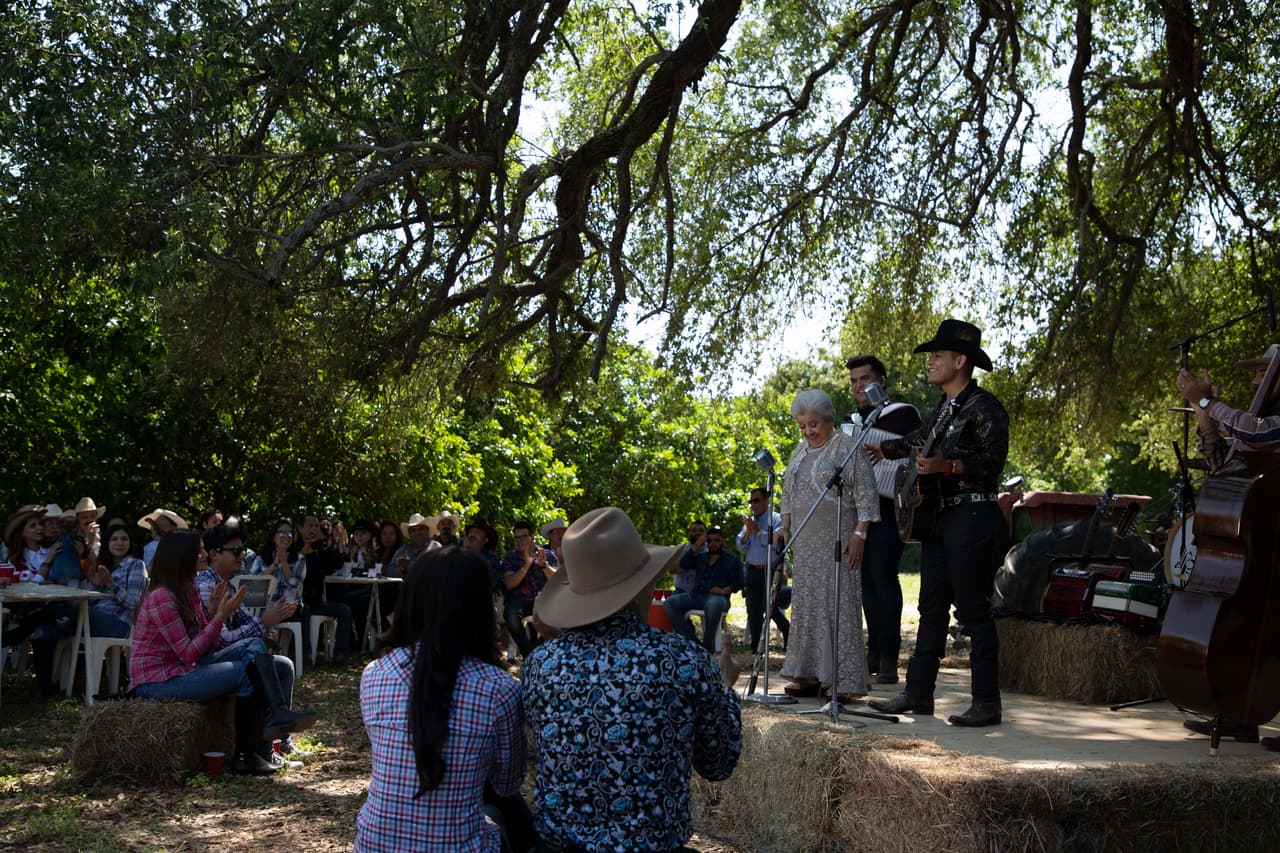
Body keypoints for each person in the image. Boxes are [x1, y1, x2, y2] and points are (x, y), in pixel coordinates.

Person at [523, 507, 741, 852]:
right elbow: (718, 764)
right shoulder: (681, 659)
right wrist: (725, 692)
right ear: (642, 588)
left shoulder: (540, 664)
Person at [868, 319, 1009, 727]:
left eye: (937, 355)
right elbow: (919, 439)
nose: (930, 362)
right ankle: (918, 694)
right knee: (930, 607)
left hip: (973, 514)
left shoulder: (986, 407)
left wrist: (949, 465)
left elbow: (993, 462)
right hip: (941, 518)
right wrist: (881, 447)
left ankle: (986, 701)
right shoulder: (945, 408)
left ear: (960, 361)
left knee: (972, 609)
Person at [356, 546, 527, 853]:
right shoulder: (500, 689)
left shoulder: (374, 675)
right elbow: (507, 784)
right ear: (481, 608)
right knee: (501, 815)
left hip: (373, 845)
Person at [130, 530, 316, 775]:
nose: (205, 554)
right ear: (182, 556)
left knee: (277, 662)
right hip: (157, 682)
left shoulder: (189, 590)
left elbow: (207, 646)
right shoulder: (162, 597)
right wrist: (219, 617)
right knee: (247, 668)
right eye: (199, 550)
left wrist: (212, 614)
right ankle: (245, 754)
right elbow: (188, 653)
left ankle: (266, 744)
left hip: (185, 669)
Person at [1175, 342, 1280, 752]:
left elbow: (1256, 430)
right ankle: (1240, 715)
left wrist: (1205, 399)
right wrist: (1205, 421)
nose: (1257, 378)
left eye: (1264, 371)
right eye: (1257, 372)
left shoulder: (1268, 423)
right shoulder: (1258, 418)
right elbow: (1223, 467)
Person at [776, 389, 878, 703]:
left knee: (838, 603)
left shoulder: (846, 448)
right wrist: (784, 525)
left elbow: (866, 495)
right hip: (806, 543)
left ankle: (842, 681)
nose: (808, 431)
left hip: (838, 537)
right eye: (802, 425)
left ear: (828, 420)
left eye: (813, 425)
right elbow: (788, 492)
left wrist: (860, 534)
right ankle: (808, 675)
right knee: (806, 603)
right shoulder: (799, 450)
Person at [196, 520, 308, 769]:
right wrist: (264, 623)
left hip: (229, 655)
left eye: (242, 550)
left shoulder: (228, 583)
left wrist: (270, 621)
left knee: (284, 666)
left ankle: (270, 747)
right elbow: (223, 639)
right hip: (207, 661)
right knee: (255, 651)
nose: (242, 556)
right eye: (235, 551)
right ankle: (274, 724)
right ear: (214, 555)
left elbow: (250, 622)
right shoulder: (205, 586)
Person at [845, 353, 923, 684]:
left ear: (881, 381)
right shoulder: (850, 422)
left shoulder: (903, 415)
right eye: (853, 381)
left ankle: (890, 658)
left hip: (890, 509)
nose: (858, 385)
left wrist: (887, 453)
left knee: (883, 577)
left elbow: (919, 450)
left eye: (864, 378)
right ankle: (873, 652)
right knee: (863, 583)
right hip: (857, 512)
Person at [1178, 343, 1280, 471]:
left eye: (1264, 375)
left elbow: (1253, 430)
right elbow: (1218, 462)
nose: (1254, 381)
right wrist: (1204, 414)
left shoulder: (1260, 426)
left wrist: (1204, 401)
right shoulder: (1264, 414)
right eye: (1256, 374)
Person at [664, 527, 743, 654]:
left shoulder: (732, 560)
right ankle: (692, 642)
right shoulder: (700, 557)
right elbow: (683, 564)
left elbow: (739, 583)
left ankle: (708, 644)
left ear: (723, 541)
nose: (713, 543)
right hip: (696, 595)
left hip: (718, 598)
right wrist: (696, 545)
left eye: (716, 540)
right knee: (669, 603)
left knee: (713, 603)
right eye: (709, 541)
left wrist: (724, 590)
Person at [737, 488, 790, 652]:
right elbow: (740, 546)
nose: (753, 505)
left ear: (766, 500)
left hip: (770, 570)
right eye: (751, 501)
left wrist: (758, 531)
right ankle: (757, 649)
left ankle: (787, 632)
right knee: (752, 610)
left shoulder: (776, 519)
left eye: (756, 500)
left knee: (769, 607)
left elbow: (775, 543)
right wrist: (747, 534)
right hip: (752, 570)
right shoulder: (751, 521)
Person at [297, 514, 353, 664]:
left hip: (317, 602)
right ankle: (306, 655)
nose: (313, 529)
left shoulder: (321, 550)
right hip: (298, 602)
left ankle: (339, 654)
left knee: (344, 610)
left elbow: (338, 564)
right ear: (301, 529)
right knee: (305, 610)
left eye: (317, 526)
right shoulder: (295, 548)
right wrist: (304, 552)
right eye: (310, 526)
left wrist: (324, 546)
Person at [499, 520, 558, 658]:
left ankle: (535, 652)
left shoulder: (547, 554)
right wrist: (526, 565)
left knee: (558, 616)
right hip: (519, 601)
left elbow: (557, 581)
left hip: (543, 600)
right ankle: (529, 654)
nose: (519, 540)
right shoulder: (510, 557)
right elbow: (509, 583)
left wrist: (544, 566)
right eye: (516, 537)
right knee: (510, 614)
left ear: (532, 537)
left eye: (523, 536)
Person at [673, 520, 707, 593]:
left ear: (705, 534)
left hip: (704, 593)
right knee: (669, 603)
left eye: (701, 530)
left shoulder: (711, 549)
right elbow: (674, 569)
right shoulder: (680, 548)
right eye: (694, 530)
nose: (697, 533)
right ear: (688, 534)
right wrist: (695, 547)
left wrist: (684, 565)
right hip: (681, 591)